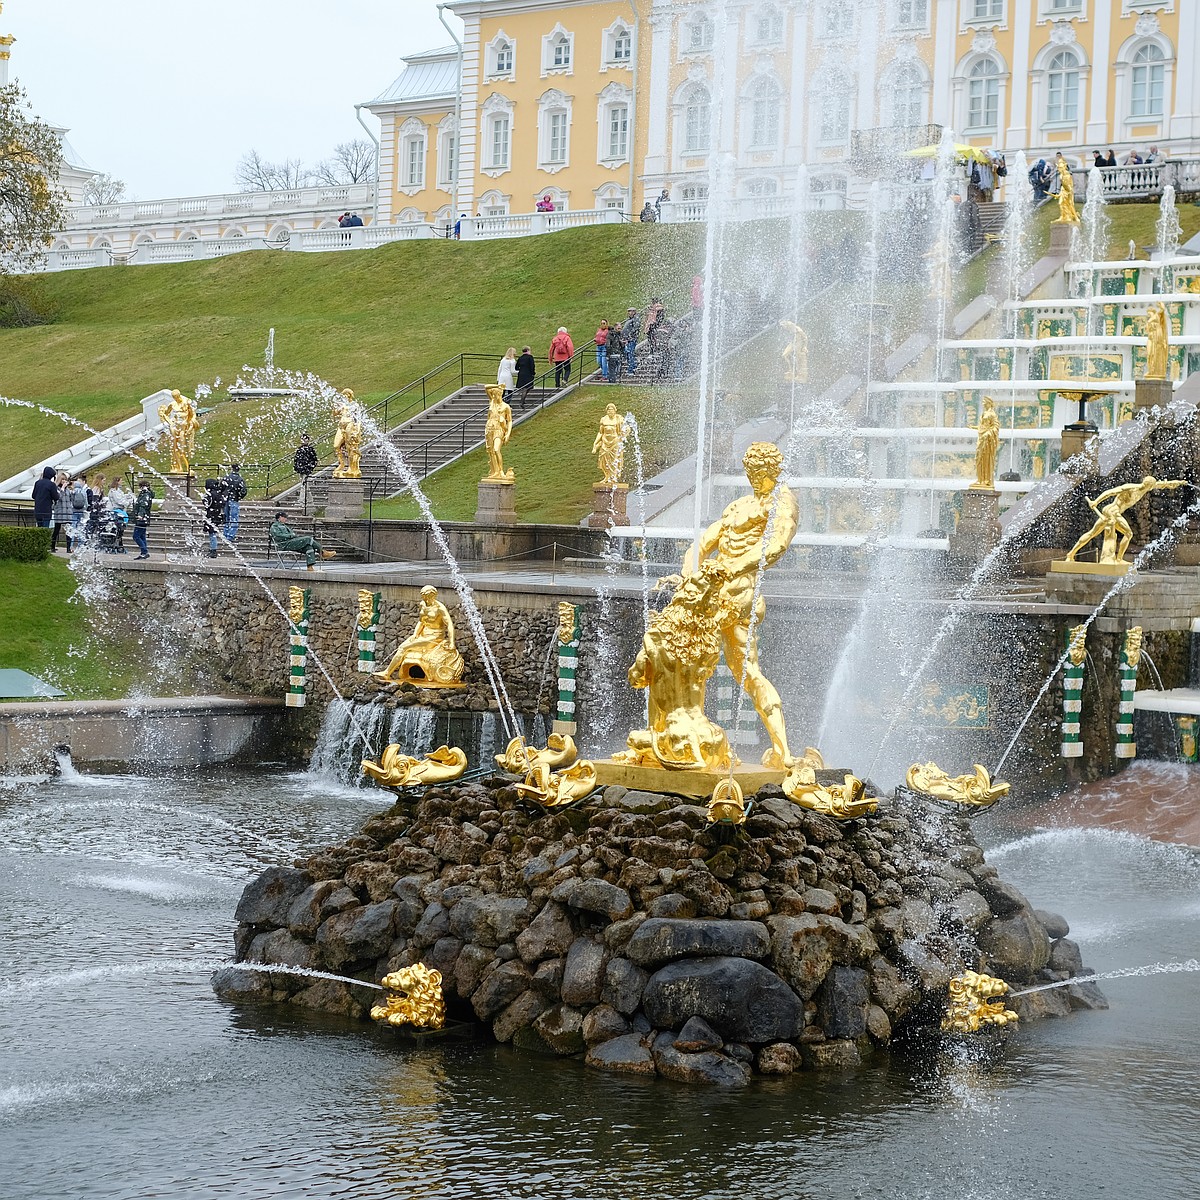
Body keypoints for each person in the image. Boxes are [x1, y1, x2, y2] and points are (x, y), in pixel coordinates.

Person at [270, 511, 336, 570]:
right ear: (280, 517)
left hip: (290, 542)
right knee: (308, 538)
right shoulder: (274, 526)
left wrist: (293, 536)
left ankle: (310, 566)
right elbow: (278, 536)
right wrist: (290, 535)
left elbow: (292, 534)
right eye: (285, 517)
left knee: (309, 547)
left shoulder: (284, 526)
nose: (286, 519)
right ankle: (322, 552)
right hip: (284, 544)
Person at [222, 463, 247, 541]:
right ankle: (231, 535)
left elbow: (221, 487)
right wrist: (239, 497)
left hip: (226, 499)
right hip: (234, 499)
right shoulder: (240, 479)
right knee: (234, 518)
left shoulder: (226, 478)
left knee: (226, 517)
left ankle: (225, 534)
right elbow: (243, 491)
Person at [130, 481, 154, 559]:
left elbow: (143, 505)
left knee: (136, 536)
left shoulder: (145, 494)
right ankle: (144, 553)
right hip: (144, 518)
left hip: (142, 518)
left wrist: (140, 515)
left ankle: (144, 551)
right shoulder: (146, 494)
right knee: (142, 536)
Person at [203, 478, 226, 558]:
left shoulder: (210, 494)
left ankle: (213, 550)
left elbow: (207, 504)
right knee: (213, 533)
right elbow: (223, 503)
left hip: (211, 515)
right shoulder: (218, 493)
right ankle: (212, 549)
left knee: (212, 533)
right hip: (217, 515)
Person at [50, 471, 72, 551]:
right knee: (56, 529)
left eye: (65, 480)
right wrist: (62, 489)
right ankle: (52, 546)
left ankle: (68, 548)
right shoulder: (56, 488)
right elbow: (57, 498)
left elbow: (70, 499)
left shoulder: (68, 490)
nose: (64, 481)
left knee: (69, 530)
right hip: (59, 511)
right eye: (62, 480)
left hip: (67, 512)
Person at [67, 475, 87, 551]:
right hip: (81, 512)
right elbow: (86, 503)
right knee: (80, 528)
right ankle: (80, 545)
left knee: (73, 528)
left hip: (74, 511)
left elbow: (70, 501)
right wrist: (84, 508)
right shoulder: (83, 491)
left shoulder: (73, 491)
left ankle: (71, 545)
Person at [623, 307, 640, 375]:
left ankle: (631, 370)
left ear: (634, 312)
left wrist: (630, 334)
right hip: (628, 339)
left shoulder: (636, 318)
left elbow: (636, 327)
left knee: (630, 354)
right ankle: (635, 365)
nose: (629, 313)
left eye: (630, 311)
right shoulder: (630, 319)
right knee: (628, 353)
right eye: (628, 311)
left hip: (632, 339)